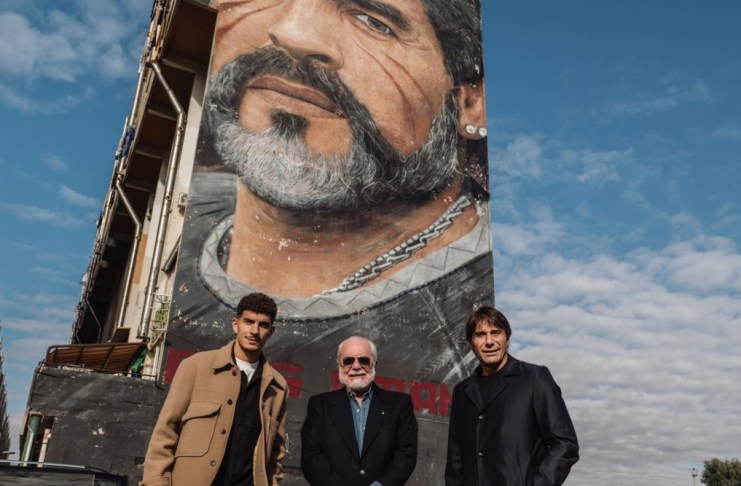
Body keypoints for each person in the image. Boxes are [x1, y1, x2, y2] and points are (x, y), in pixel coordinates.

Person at [140, 292, 289, 486]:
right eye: (248, 322)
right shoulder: (195, 367)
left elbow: (276, 455)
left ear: (271, 332)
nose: (254, 331)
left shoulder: (278, 387)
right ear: (235, 324)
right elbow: (166, 432)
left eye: (263, 325)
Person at [445, 307, 579, 486]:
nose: (489, 341)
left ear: (507, 338)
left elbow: (564, 443)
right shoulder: (462, 391)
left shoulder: (534, 378)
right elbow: (455, 459)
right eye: (480, 335)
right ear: (471, 342)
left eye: (496, 333)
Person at [301, 336, 418, 486]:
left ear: (374, 363)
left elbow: (405, 455)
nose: (356, 366)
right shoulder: (319, 405)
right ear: (339, 365)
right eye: (348, 361)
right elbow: (311, 457)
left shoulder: (399, 405)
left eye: (364, 360)